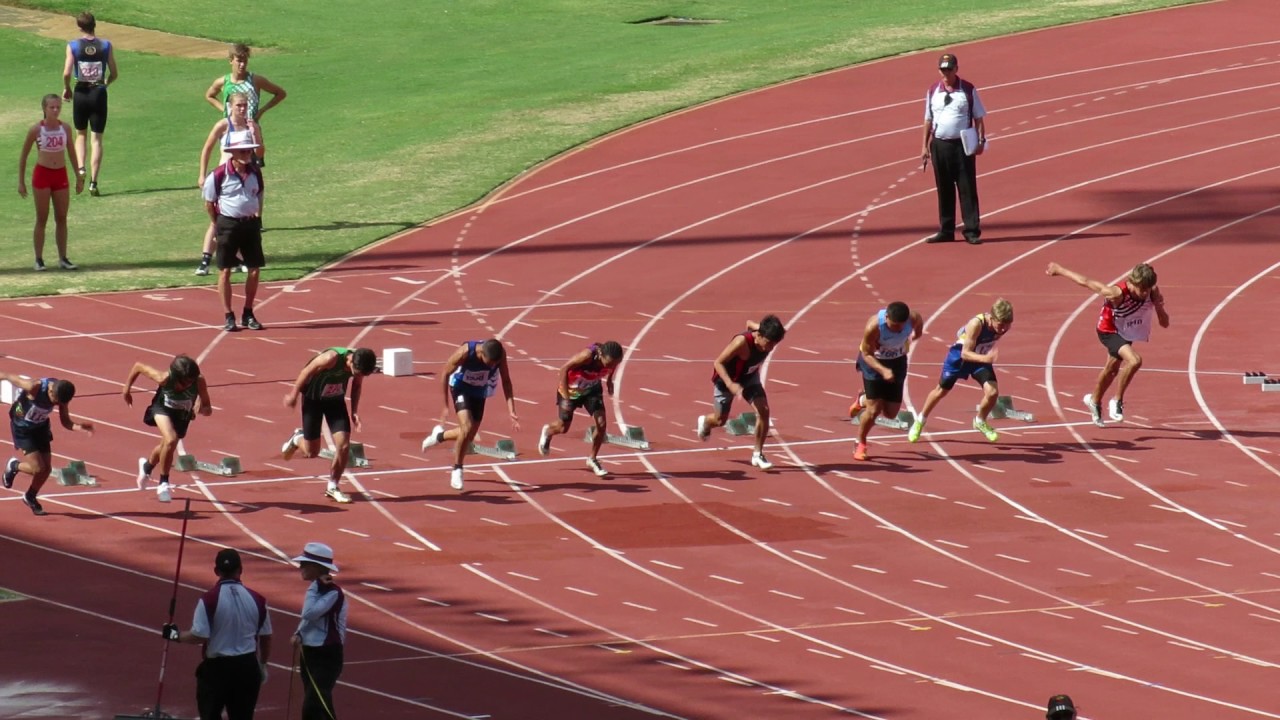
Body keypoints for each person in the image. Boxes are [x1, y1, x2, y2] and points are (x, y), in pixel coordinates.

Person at [1047, 261, 1169, 426]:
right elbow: (1086, 282)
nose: (1145, 293)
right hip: (1108, 331)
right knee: (1134, 360)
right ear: (1133, 283)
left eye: (1148, 289)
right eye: (1142, 289)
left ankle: (1094, 400)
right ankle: (1117, 400)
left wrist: (1158, 305)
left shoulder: (1151, 291)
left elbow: (1165, 323)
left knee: (1111, 370)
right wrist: (1060, 270)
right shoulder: (1116, 293)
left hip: (1126, 331)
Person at [162, 548, 272, 720]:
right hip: (247, 667)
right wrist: (263, 664)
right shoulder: (258, 600)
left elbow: (199, 635)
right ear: (240, 569)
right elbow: (266, 637)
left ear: (216, 571)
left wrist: (175, 636)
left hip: (217, 670)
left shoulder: (208, 600)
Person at [280, 348, 378, 504]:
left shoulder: (360, 364)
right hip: (313, 401)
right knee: (312, 452)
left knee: (344, 446)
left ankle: (333, 486)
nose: (358, 376)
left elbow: (357, 386)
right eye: (358, 373)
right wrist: (294, 395)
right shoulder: (331, 358)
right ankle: (297, 438)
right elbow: (306, 371)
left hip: (335, 403)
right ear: (351, 361)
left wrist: (354, 412)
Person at [907, 298, 1014, 444]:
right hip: (959, 357)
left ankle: (980, 421)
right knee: (941, 391)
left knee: (993, 393)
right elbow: (965, 353)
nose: (1003, 329)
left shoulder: (1004, 325)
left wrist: (984, 356)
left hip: (980, 359)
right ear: (991, 318)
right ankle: (920, 420)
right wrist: (985, 358)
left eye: (1007, 325)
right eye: (1000, 325)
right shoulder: (976, 324)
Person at [421, 339, 519, 491]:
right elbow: (445, 373)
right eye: (490, 363)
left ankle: (438, 436)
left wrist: (511, 410)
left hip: (479, 391)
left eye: (495, 364)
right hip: (460, 387)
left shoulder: (500, 354)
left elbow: (506, 381)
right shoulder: (465, 353)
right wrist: (445, 405)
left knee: (469, 435)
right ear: (482, 354)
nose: (492, 366)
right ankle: (457, 469)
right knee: (466, 427)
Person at [695, 315, 787, 470]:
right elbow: (718, 362)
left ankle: (758, 454)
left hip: (749, 378)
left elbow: (749, 323)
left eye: (774, 344)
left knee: (763, 411)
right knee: (720, 420)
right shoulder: (741, 343)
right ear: (759, 336)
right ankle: (705, 422)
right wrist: (730, 384)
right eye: (769, 343)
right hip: (727, 380)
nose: (771, 348)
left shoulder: (766, 333)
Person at [123, 355, 212, 503]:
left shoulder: (199, 381)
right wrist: (126, 389)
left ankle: (146, 467)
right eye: (183, 383)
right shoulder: (164, 378)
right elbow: (138, 366)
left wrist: (201, 408)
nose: (187, 386)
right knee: (171, 439)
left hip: (182, 416)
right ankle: (163, 483)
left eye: (190, 383)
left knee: (166, 445)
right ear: (175, 377)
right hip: (161, 409)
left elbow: (208, 407)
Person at [2, 373, 92, 516]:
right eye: (55, 401)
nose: (56, 404)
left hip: (40, 427)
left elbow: (65, 422)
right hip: (22, 427)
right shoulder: (34, 387)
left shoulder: (62, 394)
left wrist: (79, 427)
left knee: (46, 470)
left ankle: (30, 496)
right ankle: (14, 466)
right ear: (50, 391)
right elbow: (9, 377)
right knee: (38, 468)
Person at [203, 130, 265, 332]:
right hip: (227, 224)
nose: (248, 154)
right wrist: (218, 223)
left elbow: (259, 194)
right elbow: (209, 203)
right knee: (225, 270)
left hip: (250, 224)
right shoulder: (219, 174)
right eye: (243, 151)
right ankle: (228, 315)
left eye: (249, 150)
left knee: (254, 269)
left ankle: (248, 312)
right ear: (233, 153)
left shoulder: (255, 172)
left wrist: (258, 217)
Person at [921, 52, 986, 245]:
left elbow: (979, 117)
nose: (946, 73)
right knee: (944, 188)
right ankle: (946, 230)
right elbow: (928, 120)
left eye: (949, 69)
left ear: (956, 69)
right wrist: (924, 146)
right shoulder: (933, 91)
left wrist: (981, 140)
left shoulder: (967, 90)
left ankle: (971, 230)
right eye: (943, 70)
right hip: (939, 145)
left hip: (962, 145)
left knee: (967, 188)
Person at [196, 92, 264, 276]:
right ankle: (205, 261)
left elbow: (260, 153)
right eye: (238, 105)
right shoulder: (223, 125)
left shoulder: (252, 125)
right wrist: (202, 174)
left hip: (246, 176)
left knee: (242, 219)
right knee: (218, 220)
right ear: (230, 107)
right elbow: (207, 148)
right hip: (224, 177)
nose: (242, 109)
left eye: (245, 105)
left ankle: (240, 259)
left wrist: (255, 133)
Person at [849, 302, 925, 460]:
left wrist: (916, 335)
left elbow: (919, 325)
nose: (897, 329)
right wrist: (883, 370)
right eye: (894, 326)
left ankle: (862, 399)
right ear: (886, 317)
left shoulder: (913, 318)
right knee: (874, 410)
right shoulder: (874, 326)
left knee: (890, 413)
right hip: (873, 363)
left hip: (897, 362)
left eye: (900, 326)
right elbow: (866, 354)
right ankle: (860, 442)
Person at [537, 341, 625, 477]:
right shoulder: (586, 356)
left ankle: (592, 459)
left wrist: (609, 380)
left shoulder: (612, 359)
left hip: (592, 390)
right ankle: (548, 431)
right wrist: (566, 397)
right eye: (608, 364)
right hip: (571, 391)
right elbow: (564, 369)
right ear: (601, 355)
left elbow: (612, 365)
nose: (611, 366)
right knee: (563, 427)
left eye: (615, 364)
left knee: (601, 424)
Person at [18, 94, 84, 271]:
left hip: (60, 175)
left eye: (58, 107)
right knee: (42, 217)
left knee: (62, 217)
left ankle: (63, 258)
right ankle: (38, 259)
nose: (55, 110)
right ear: (44, 109)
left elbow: (72, 153)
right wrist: (21, 182)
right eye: (52, 107)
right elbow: (24, 156)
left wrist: (79, 177)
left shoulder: (65, 128)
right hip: (42, 175)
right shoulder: (36, 130)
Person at [61, 11, 117, 196]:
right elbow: (114, 73)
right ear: (95, 24)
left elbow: (67, 73)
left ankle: (81, 168)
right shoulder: (106, 45)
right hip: (98, 93)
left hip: (81, 93)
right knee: (97, 139)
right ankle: (93, 182)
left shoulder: (73, 45)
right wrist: (105, 84)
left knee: (80, 134)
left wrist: (67, 88)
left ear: (80, 27)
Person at [291, 542, 347, 720]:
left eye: (304, 564)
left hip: (327, 654)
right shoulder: (316, 589)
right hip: (309, 652)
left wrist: (315, 587)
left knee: (313, 704)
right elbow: (307, 619)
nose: (300, 567)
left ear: (317, 567)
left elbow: (308, 613)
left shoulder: (333, 593)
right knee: (321, 703)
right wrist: (299, 633)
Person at [205, 43, 287, 128]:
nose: (242, 64)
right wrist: (224, 110)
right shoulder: (223, 82)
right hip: (230, 129)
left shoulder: (256, 80)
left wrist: (261, 111)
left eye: (245, 61)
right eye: (239, 61)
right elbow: (209, 96)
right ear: (231, 60)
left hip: (251, 129)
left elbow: (280, 93)